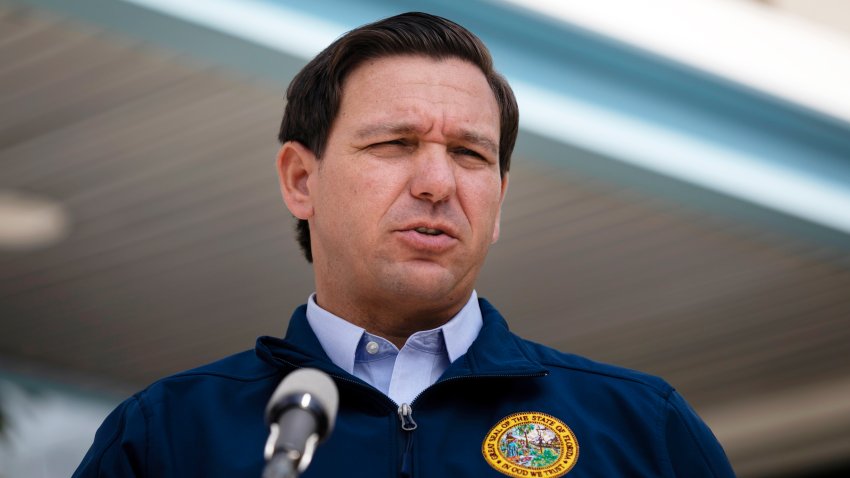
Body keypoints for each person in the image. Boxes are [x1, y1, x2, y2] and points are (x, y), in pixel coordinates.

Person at [73, 12, 736, 478]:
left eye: (470, 154)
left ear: (499, 198)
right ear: (301, 181)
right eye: (395, 144)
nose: (438, 182)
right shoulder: (169, 435)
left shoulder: (640, 426)